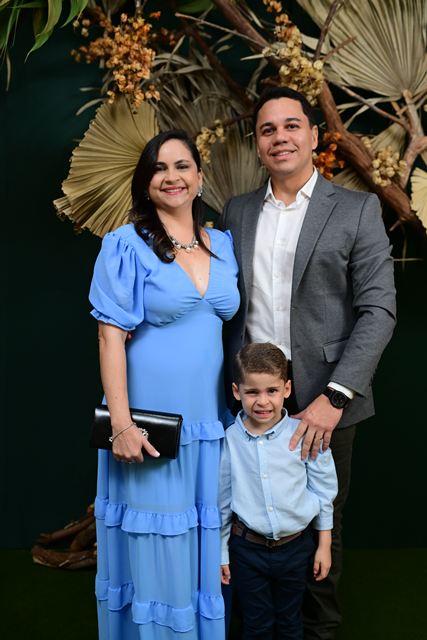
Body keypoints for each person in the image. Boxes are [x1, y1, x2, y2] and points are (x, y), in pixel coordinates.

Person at [221, 87, 396, 639]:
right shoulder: (237, 211)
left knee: (323, 521)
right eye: (268, 129)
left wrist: (336, 397)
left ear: (315, 136)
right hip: (251, 396)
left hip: (325, 393)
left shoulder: (357, 209)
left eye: (292, 125)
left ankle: (318, 631)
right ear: (257, 143)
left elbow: (379, 310)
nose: (281, 137)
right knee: (245, 513)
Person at [89, 129, 240, 640]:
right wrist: (122, 425)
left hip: (208, 424)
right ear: (145, 182)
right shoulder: (125, 245)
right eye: (158, 168)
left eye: (181, 166)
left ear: (199, 176)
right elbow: (110, 339)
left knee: (200, 544)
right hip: (151, 425)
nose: (171, 177)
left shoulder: (223, 244)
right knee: (159, 546)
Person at [219, 343, 338, 639]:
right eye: (252, 392)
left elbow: (324, 492)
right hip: (246, 550)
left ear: (286, 389)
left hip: (296, 548)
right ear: (236, 391)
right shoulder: (228, 440)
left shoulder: (305, 434)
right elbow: (222, 500)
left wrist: (324, 545)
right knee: (256, 624)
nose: (263, 401)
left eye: (271, 391)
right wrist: (222, 552)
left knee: (290, 621)